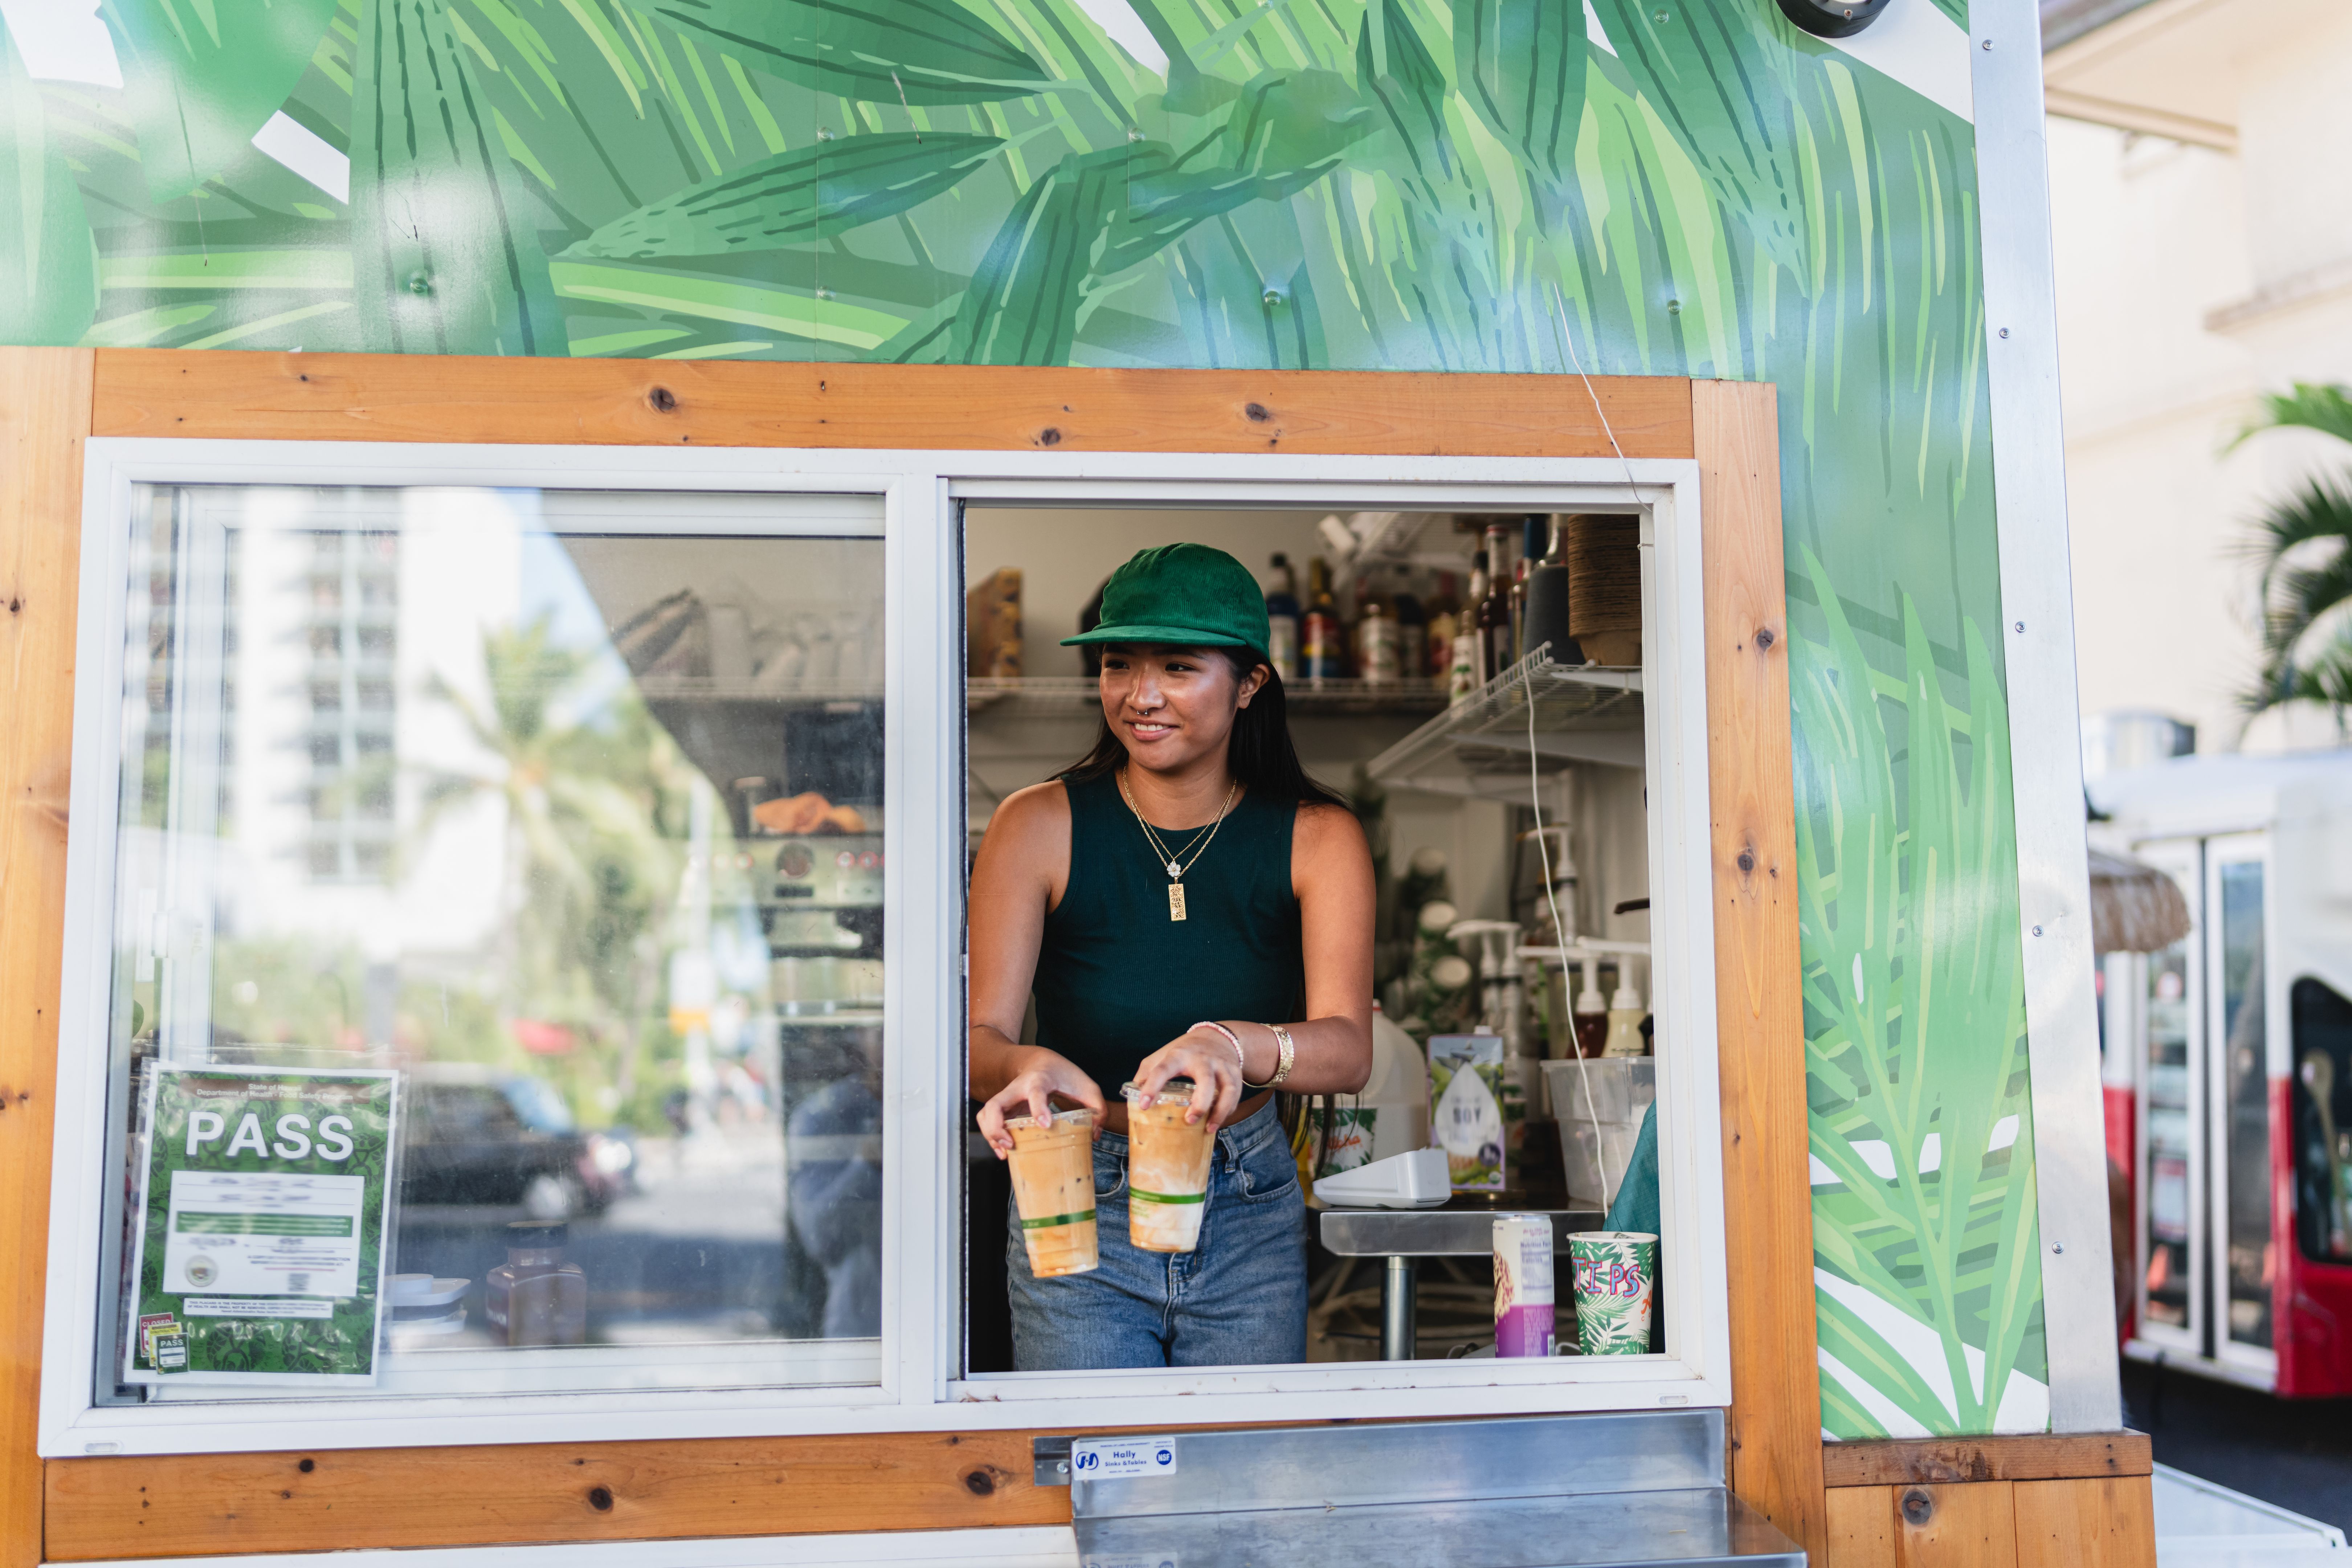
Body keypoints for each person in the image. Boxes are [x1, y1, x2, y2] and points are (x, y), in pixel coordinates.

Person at [968, 543, 1375, 1370]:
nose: (1140, 696)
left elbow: (1348, 1048)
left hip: (1247, 1199)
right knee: (1099, 1479)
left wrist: (1229, 1043)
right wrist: (1026, 1062)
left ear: (1250, 684)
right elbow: (979, 1044)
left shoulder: (1318, 836)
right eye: (1119, 665)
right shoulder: (1036, 823)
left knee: (1239, 1486)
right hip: (1078, 1194)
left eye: (1179, 668)